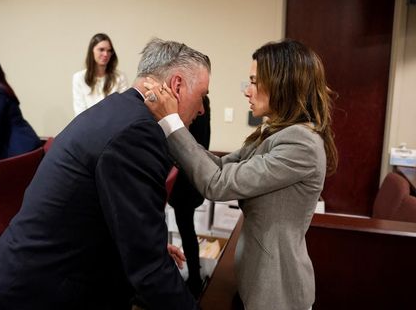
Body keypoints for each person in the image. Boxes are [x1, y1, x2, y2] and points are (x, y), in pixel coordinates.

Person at [0, 38, 211, 310]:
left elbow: (94, 214)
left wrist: (139, 244)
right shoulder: (139, 132)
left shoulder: (120, 110)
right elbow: (150, 269)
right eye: (202, 94)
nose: (202, 108)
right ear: (177, 85)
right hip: (31, 293)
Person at [144, 39, 338, 310]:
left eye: (254, 81)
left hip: (278, 291)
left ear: (283, 84)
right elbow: (221, 167)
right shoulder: (275, 133)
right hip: (257, 280)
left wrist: (171, 123)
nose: (247, 91)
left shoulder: (300, 144)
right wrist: (170, 129)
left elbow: (218, 184)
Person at [169, 95, 210, 299]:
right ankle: (194, 277)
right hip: (192, 179)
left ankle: (194, 279)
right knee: (187, 229)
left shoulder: (195, 104)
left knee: (186, 230)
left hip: (185, 181)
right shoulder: (205, 103)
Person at [72, 33, 128, 116]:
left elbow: (123, 108)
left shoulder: (120, 77)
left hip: (114, 126)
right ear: (92, 50)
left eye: (109, 50)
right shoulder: (79, 78)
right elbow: (80, 113)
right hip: (89, 127)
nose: (106, 54)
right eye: (101, 49)